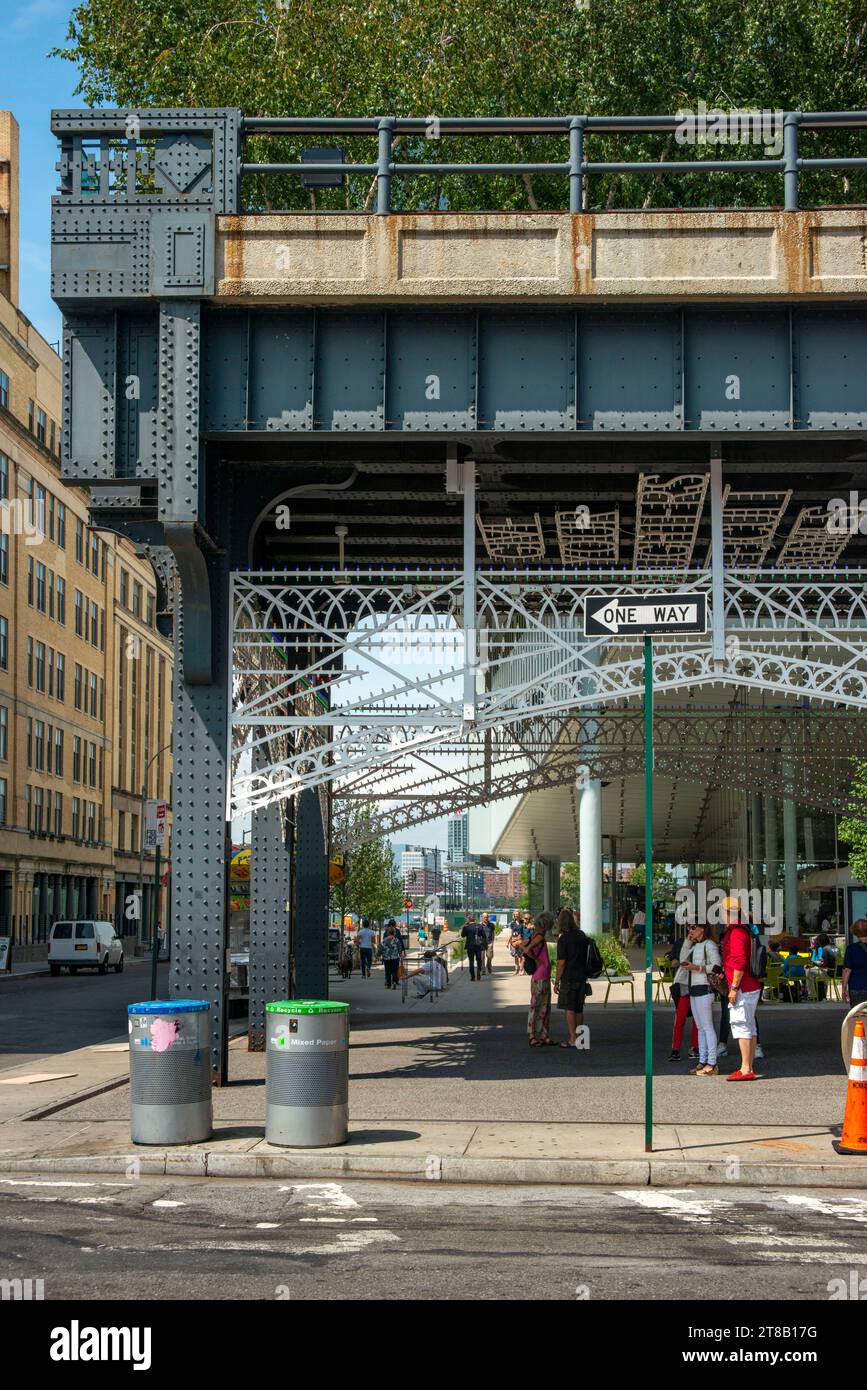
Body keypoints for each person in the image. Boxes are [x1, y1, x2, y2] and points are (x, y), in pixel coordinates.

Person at [720, 897, 762, 1080]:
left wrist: (734, 987)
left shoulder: (735, 931)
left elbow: (739, 960)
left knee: (740, 1025)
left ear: (727, 912)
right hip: (751, 984)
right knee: (750, 1026)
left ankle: (745, 1068)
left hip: (742, 987)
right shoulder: (745, 928)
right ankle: (749, 1066)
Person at [680, 923, 721, 1075]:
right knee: (700, 1027)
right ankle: (703, 1061)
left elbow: (717, 965)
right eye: (689, 927)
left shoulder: (709, 944)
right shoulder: (694, 945)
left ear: (702, 928)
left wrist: (697, 968)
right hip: (694, 988)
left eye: (693, 927)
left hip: (705, 988)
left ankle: (712, 1062)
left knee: (707, 1026)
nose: (690, 930)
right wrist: (687, 941)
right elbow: (682, 958)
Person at [553, 908, 591, 1048]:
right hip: (582, 976)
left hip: (568, 977)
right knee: (579, 1008)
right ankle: (581, 1039)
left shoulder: (563, 939)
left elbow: (561, 962)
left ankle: (572, 1039)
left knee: (569, 1008)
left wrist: (557, 981)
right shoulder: (582, 935)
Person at [522, 913, 553, 1047]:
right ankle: (534, 1035)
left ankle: (541, 1034)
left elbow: (522, 945)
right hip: (541, 975)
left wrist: (534, 957)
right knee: (539, 1006)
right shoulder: (539, 937)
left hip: (540, 975)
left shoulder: (534, 935)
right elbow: (527, 949)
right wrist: (537, 960)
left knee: (542, 1006)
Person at [668, 931, 699, 1062]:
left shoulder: (705, 944)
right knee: (680, 1018)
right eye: (691, 927)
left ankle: (695, 1047)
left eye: (695, 927)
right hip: (684, 985)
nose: (693, 930)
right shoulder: (682, 942)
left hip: (698, 984)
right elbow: (679, 959)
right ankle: (675, 1049)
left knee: (697, 1020)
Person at [842, 919, 867, 1009]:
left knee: (858, 1018)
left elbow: (847, 970)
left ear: (855, 932)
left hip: (857, 988)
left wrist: (844, 989)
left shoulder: (851, 949)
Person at [461, 914, 487, 981]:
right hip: (478, 946)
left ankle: (472, 977)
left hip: (470, 946)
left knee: (471, 961)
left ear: (468, 920)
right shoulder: (480, 926)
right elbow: (484, 936)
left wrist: (465, 927)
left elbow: (462, 935)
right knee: (479, 960)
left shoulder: (466, 927)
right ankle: (478, 974)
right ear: (474, 920)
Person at [380, 924, 403, 990]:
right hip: (395, 958)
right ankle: (394, 982)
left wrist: (378, 955)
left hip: (386, 958)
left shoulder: (384, 940)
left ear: (388, 932)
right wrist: (401, 957)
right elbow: (400, 949)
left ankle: (388, 984)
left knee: (387, 971)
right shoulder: (397, 940)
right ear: (394, 933)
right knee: (394, 971)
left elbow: (381, 948)